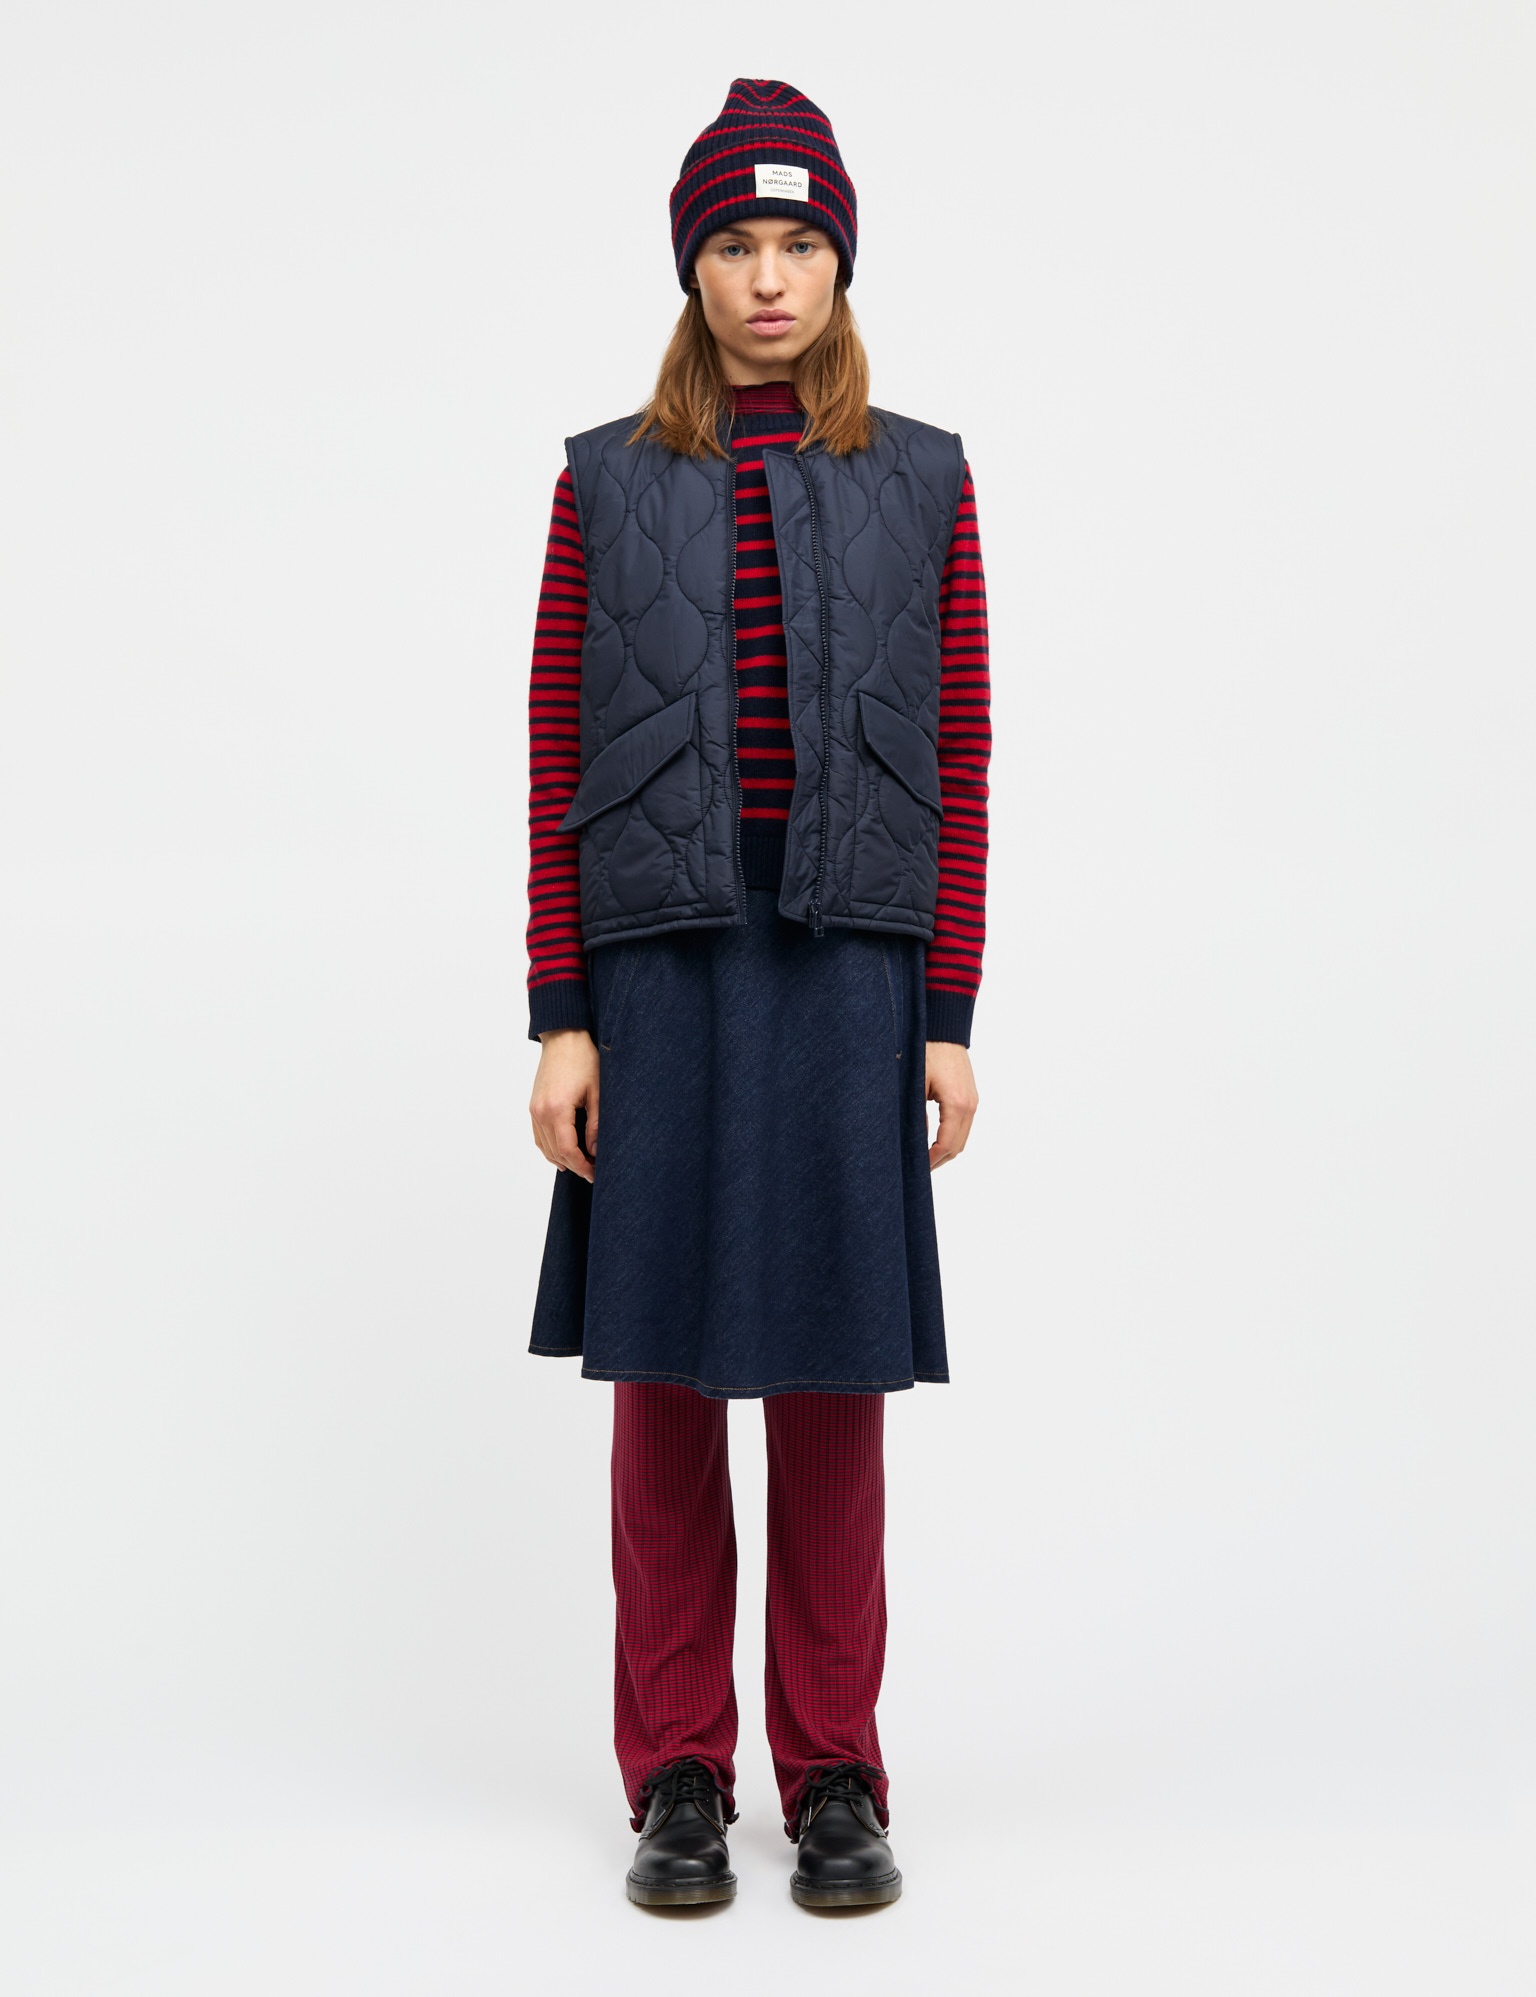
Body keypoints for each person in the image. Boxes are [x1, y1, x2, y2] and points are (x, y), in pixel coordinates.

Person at [522, 77, 992, 1909]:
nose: (771, 276)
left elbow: (961, 748)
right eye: (737, 242)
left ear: (843, 263)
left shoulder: (925, 477)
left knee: (831, 1380)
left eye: (801, 241)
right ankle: (678, 1770)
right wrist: (561, 1009)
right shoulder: (605, 479)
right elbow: (554, 746)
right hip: (661, 975)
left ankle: (837, 1766)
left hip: (850, 970)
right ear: (692, 265)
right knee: (661, 1386)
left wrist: (946, 1014)